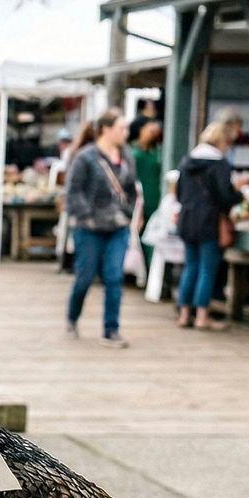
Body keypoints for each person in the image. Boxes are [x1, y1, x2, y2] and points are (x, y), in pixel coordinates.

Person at [63, 108, 140, 347]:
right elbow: (73, 191)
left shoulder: (126, 156)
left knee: (114, 276)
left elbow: (131, 189)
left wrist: (129, 213)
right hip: (90, 226)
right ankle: (72, 316)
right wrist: (86, 215)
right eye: (121, 127)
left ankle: (111, 329)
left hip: (118, 225)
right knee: (85, 277)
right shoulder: (86, 157)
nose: (125, 133)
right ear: (106, 129)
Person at [175, 115, 244, 331]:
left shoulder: (187, 162)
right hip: (209, 222)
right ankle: (202, 315)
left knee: (191, 267)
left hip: (187, 220)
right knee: (207, 269)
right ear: (223, 142)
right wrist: (240, 194)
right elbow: (225, 197)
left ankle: (184, 313)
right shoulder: (220, 165)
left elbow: (179, 193)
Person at [131, 118, 164, 272]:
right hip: (141, 201)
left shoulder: (158, 151)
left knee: (154, 239)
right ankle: (144, 271)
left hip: (157, 199)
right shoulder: (134, 153)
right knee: (142, 238)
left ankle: (153, 274)